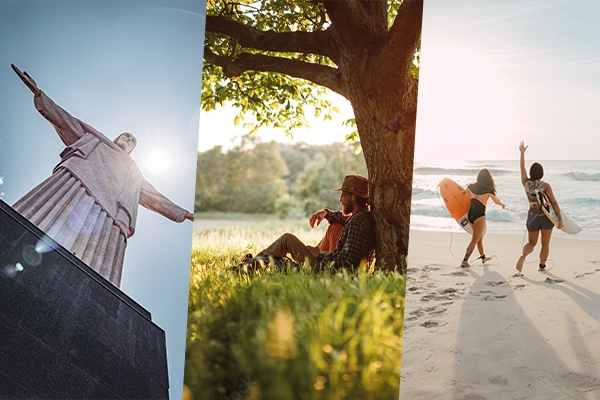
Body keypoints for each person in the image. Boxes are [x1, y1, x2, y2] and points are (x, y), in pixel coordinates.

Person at [10, 64, 193, 288]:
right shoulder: (96, 139)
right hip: (75, 183)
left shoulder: (133, 172)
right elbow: (66, 121)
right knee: (34, 225)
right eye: (125, 136)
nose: (128, 139)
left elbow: (155, 197)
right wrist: (40, 95)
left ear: (133, 149)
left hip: (111, 211)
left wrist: (183, 213)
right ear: (117, 137)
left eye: (132, 140)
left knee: (91, 272)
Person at [236, 175, 375, 272]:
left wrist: (318, 255)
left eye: (343, 195)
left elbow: (346, 261)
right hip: (331, 265)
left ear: (353, 196)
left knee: (286, 239)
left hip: (330, 269)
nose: (340, 200)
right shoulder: (359, 217)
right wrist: (326, 213)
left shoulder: (357, 222)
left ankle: (246, 266)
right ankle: (251, 264)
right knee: (280, 262)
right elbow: (342, 218)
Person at [515, 141, 562, 275]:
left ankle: (523, 256)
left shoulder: (526, 183)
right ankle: (542, 266)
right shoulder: (545, 185)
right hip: (545, 215)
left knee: (531, 242)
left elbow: (522, 168)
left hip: (532, 214)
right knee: (545, 243)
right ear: (542, 173)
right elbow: (553, 202)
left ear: (531, 172)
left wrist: (522, 153)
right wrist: (560, 219)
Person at [460, 168, 505, 268]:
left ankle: (483, 257)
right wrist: (502, 204)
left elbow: (463, 198)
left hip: (470, 216)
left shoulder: (470, 186)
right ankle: (465, 260)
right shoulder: (488, 189)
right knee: (475, 240)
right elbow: (496, 200)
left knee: (479, 238)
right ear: (488, 178)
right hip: (479, 217)